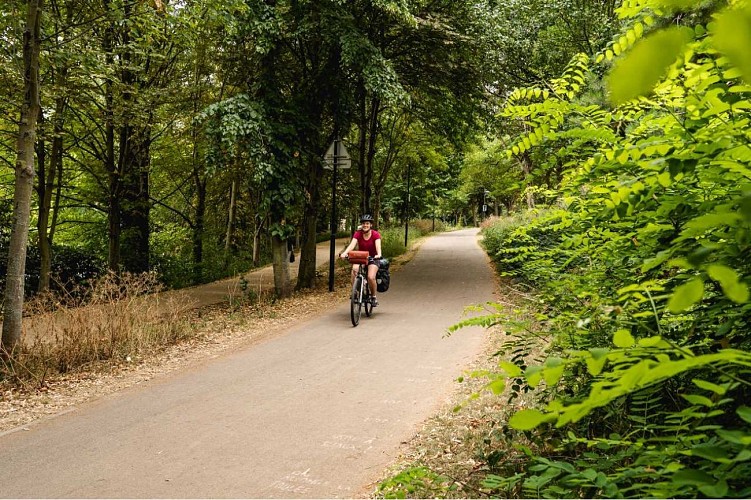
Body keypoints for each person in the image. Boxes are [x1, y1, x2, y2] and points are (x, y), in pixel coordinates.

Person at [339, 214, 382, 307]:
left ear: (371, 225)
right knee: (354, 270)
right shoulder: (358, 233)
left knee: (371, 277)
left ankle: (373, 296)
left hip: (373, 258)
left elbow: (378, 246)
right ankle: (355, 291)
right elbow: (352, 245)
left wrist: (378, 254)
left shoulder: (375, 234)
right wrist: (345, 253)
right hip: (361, 257)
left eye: (367, 223)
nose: (365, 225)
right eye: (363, 223)